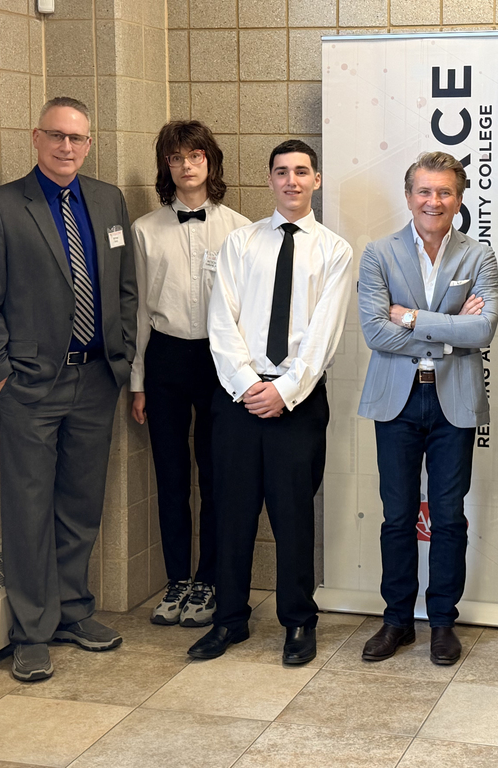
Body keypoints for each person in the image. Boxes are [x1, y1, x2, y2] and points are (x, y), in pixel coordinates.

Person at [0, 96, 137, 681]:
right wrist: (2, 374)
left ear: (90, 143)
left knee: (82, 503)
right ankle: (31, 630)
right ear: (36, 138)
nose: (68, 147)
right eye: (57, 136)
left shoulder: (109, 200)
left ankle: (72, 610)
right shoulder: (1, 207)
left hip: (95, 379)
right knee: (29, 505)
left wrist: (123, 351)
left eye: (78, 138)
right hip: (32, 384)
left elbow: (124, 287)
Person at [187, 139, 352, 666]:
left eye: (302, 172)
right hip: (237, 399)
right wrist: (245, 385)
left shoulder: (335, 250)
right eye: (281, 172)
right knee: (231, 514)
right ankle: (229, 620)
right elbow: (222, 321)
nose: (292, 181)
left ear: (316, 180)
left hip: (297, 402)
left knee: (293, 517)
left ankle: (299, 622)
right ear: (270, 181)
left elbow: (325, 333)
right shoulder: (240, 243)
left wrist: (282, 391)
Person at [357, 151, 498, 666]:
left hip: (453, 403)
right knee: (397, 516)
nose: (433, 201)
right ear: (409, 195)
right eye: (424, 191)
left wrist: (414, 317)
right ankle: (397, 620)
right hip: (396, 401)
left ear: (459, 199)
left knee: (448, 516)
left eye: (444, 192)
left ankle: (442, 622)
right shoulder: (379, 253)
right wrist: (446, 327)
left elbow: (482, 331)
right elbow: (375, 330)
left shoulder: (479, 256)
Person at [130, 121, 250, 628]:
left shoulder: (242, 229)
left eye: (195, 155)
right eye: (175, 157)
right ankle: (177, 579)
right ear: (166, 166)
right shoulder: (144, 229)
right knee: (171, 475)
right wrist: (137, 381)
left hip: (221, 361)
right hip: (165, 359)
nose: (185, 165)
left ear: (211, 161)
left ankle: (208, 580)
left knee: (217, 475)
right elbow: (136, 309)